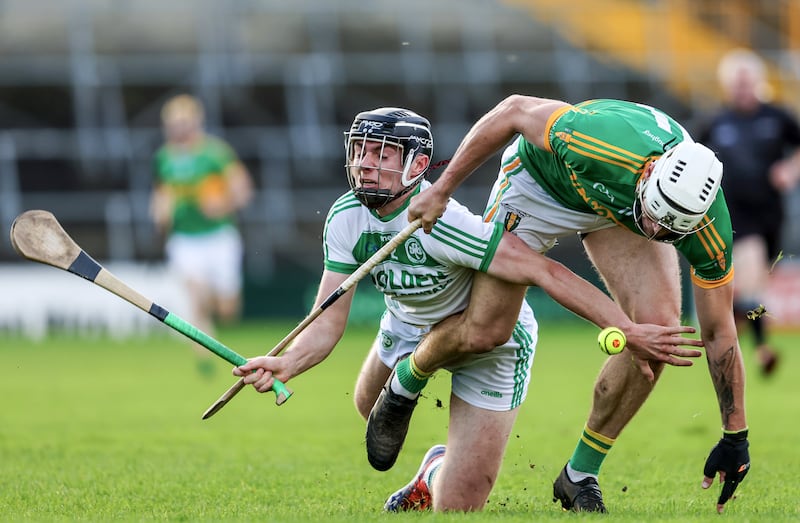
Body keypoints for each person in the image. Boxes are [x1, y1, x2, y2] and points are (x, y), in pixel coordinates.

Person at [232, 107, 701, 512]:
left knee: (457, 506)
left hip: (490, 345)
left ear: (417, 165)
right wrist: (288, 362)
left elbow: (546, 272)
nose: (365, 165)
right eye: (359, 151)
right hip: (409, 326)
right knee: (366, 408)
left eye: (381, 154)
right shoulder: (344, 217)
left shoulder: (448, 225)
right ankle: (429, 442)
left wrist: (625, 328)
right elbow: (327, 319)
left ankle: (435, 471)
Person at [378, 96, 752, 514]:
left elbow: (719, 331)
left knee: (658, 332)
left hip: (618, 207)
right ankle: (408, 376)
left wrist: (735, 435)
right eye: (654, 218)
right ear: (649, 173)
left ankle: (579, 476)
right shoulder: (596, 142)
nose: (654, 231)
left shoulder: (705, 228)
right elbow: (513, 110)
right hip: (540, 187)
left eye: (668, 230)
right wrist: (442, 190)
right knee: (486, 331)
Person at [696, 48, 800, 376]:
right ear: (728, 86)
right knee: (752, 276)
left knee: (757, 287)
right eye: (737, 83)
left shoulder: (777, 117)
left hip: (771, 212)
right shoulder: (716, 122)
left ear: (758, 82)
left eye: (747, 82)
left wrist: (790, 169)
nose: (743, 89)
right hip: (736, 213)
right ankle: (760, 350)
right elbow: (692, 158)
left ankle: (736, 335)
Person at [150, 94, 254, 373]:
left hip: (219, 236)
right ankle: (205, 358)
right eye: (174, 124)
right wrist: (160, 213)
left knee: (227, 309)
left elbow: (243, 189)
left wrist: (223, 205)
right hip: (184, 239)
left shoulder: (215, 153)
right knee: (195, 296)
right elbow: (161, 194)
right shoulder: (164, 158)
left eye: (184, 122)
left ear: (197, 123)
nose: (179, 129)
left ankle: (209, 326)